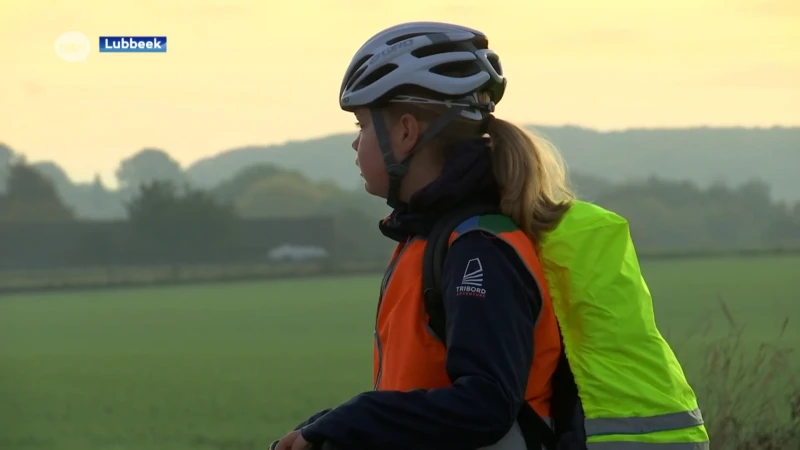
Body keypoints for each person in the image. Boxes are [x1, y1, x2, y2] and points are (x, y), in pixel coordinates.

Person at [274, 21, 709, 450]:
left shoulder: (478, 248)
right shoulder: (437, 238)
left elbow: (485, 404)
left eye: (362, 127)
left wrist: (356, 418)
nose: (355, 145)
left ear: (405, 132)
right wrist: (329, 426)